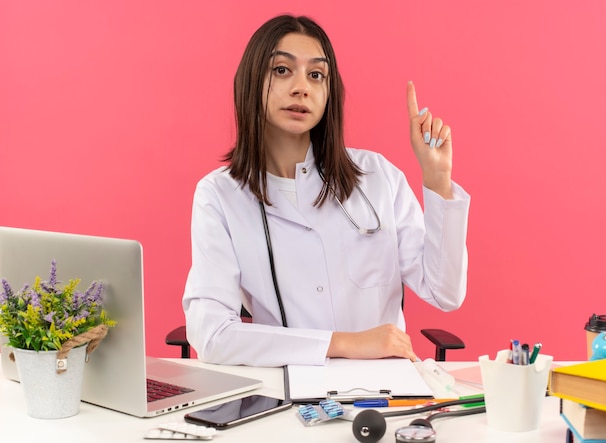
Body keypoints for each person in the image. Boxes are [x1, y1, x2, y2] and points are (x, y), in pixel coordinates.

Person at [182, 14, 470, 367]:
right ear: (251, 80)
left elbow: (445, 292)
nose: (301, 87)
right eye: (282, 70)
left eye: (316, 75)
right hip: (287, 389)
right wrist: (343, 343)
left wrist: (437, 180)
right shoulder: (220, 195)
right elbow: (212, 335)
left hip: (385, 391)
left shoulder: (377, 177)